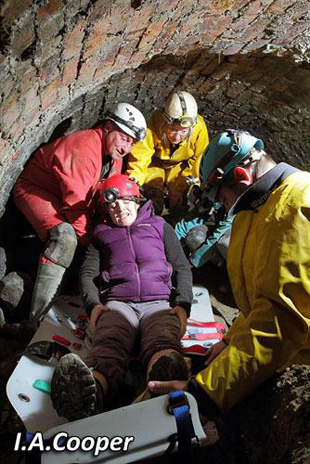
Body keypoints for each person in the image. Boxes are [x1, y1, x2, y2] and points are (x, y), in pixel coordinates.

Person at [147, 129, 310, 413]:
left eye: (220, 195)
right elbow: (258, 303)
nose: (221, 204)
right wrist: (229, 340)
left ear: (239, 176)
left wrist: (203, 393)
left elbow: (279, 321)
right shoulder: (256, 210)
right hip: (288, 349)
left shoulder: (295, 205)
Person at [51, 175, 193, 421]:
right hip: (119, 304)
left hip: (159, 302)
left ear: (137, 201)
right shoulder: (101, 234)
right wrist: (94, 306)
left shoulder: (159, 226)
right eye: (112, 205)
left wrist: (182, 305)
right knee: (108, 343)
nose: (119, 209)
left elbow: (181, 267)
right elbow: (87, 273)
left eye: (125, 202)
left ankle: (163, 379)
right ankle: (90, 393)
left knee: (162, 340)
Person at [13, 104, 147, 325]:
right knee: (65, 238)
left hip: (65, 196)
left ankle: (71, 295)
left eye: (132, 143)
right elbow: (75, 207)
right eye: (124, 138)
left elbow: (104, 194)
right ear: (108, 127)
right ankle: (37, 319)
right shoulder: (84, 148)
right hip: (36, 189)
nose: (126, 148)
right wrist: (97, 244)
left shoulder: (115, 157)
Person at [126, 91, 209, 215]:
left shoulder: (199, 129)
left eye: (183, 132)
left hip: (179, 167)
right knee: (153, 200)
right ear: (165, 122)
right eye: (173, 130)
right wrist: (133, 184)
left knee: (179, 202)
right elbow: (140, 157)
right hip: (155, 164)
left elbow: (198, 163)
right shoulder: (154, 124)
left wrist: (182, 189)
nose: (177, 137)